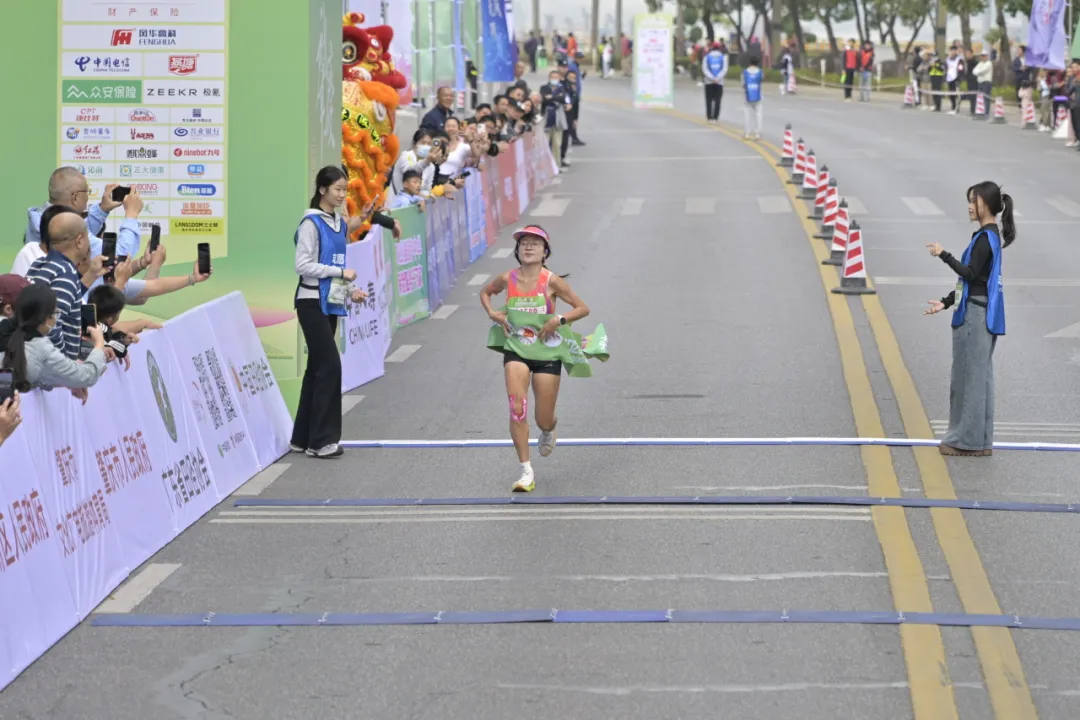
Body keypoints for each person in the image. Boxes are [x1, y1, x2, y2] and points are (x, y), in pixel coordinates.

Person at [479, 225, 590, 492]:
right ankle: (525, 471)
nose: (528, 247)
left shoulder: (552, 281)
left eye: (535, 244)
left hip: (547, 353)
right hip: (516, 349)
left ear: (545, 252)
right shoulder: (507, 278)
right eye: (523, 243)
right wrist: (493, 313)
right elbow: (485, 293)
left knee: (543, 417)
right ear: (517, 250)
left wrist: (558, 320)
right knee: (517, 408)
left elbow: (582, 308)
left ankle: (549, 428)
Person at [924, 182, 1015, 457]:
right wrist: (946, 302)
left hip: (975, 315)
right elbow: (975, 281)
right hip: (981, 309)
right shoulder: (989, 236)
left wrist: (943, 255)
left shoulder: (985, 238)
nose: (969, 206)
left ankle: (964, 441)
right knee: (980, 378)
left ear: (985, 205)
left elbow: (971, 273)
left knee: (967, 378)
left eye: (973, 201)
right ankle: (981, 441)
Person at [290, 166, 369, 459]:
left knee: (316, 369)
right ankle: (322, 441)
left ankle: (302, 438)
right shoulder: (311, 223)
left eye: (344, 189)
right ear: (322, 190)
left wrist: (351, 290)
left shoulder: (338, 223)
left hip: (331, 301)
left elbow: (336, 268)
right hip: (310, 302)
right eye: (337, 189)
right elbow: (303, 265)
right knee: (330, 366)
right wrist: (341, 273)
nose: (342, 194)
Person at [0, 283, 106, 393]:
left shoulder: (5, 329)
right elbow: (87, 376)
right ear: (45, 317)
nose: (55, 319)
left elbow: (31, 374)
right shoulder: (41, 348)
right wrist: (99, 343)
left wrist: (63, 382)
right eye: (55, 314)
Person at [702, 42, 728, 121]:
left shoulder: (707, 57)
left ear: (712, 48)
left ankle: (709, 117)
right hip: (719, 82)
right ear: (719, 48)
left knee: (709, 100)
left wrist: (712, 78)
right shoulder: (723, 57)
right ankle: (715, 117)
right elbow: (724, 69)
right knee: (717, 100)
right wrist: (717, 78)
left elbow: (704, 69)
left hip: (708, 82)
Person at [742, 56, 763, 140]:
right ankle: (757, 133)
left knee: (747, 114)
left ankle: (747, 133)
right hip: (758, 95)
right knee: (758, 114)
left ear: (750, 62)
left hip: (747, 95)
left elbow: (743, 84)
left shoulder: (744, 72)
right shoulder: (760, 72)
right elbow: (761, 81)